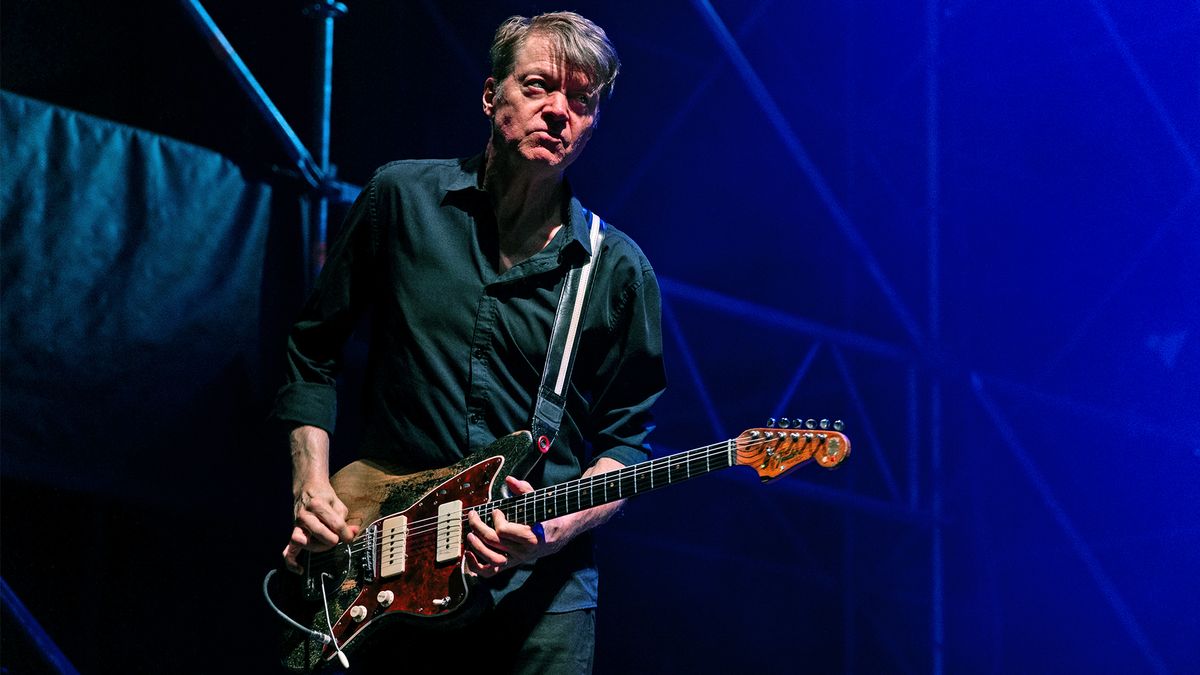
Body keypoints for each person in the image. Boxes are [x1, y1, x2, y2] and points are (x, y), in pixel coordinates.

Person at [271, 11, 666, 673]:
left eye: (582, 100)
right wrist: (311, 484)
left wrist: (546, 534)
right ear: (491, 96)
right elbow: (313, 348)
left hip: (541, 597)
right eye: (539, 86)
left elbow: (626, 443)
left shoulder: (617, 269)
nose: (559, 111)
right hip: (382, 556)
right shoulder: (399, 198)